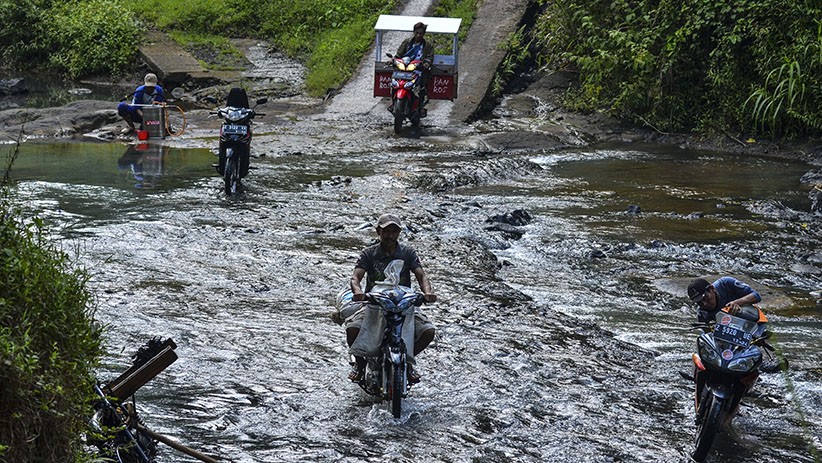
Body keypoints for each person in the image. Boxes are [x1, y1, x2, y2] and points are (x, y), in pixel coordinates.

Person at [345, 213, 437, 384]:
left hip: (404, 305)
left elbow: (421, 275)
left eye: (394, 231)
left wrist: (427, 293)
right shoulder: (368, 253)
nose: (390, 235)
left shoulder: (408, 253)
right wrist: (358, 292)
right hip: (374, 304)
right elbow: (355, 277)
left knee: (428, 332)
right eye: (386, 231)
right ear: (378, 232)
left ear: (399, 233)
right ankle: (360, 364)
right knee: (352, 329)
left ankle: (408, 362)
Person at [394, 22, 434, 117]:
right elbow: (399, 54)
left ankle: (420, 106)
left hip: (418, 70)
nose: (418, 35)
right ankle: (394, 102)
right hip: (404, 68)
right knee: (394, 83)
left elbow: (429, 58)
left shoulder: (427, 45)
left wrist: (425, 65)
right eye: (417, 33)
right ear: (413, 32)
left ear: (424, 34)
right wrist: (394, 60)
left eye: (421, 33)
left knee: (420, 89)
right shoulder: (407, 42)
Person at [687, 276, 762, 323]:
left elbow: (756, 296)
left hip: (749, 318)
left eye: (705, 298)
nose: (704, 304)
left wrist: (736, 303)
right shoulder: (702, 314)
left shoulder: (726, 284)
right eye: (699, 302)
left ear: (712, 289)